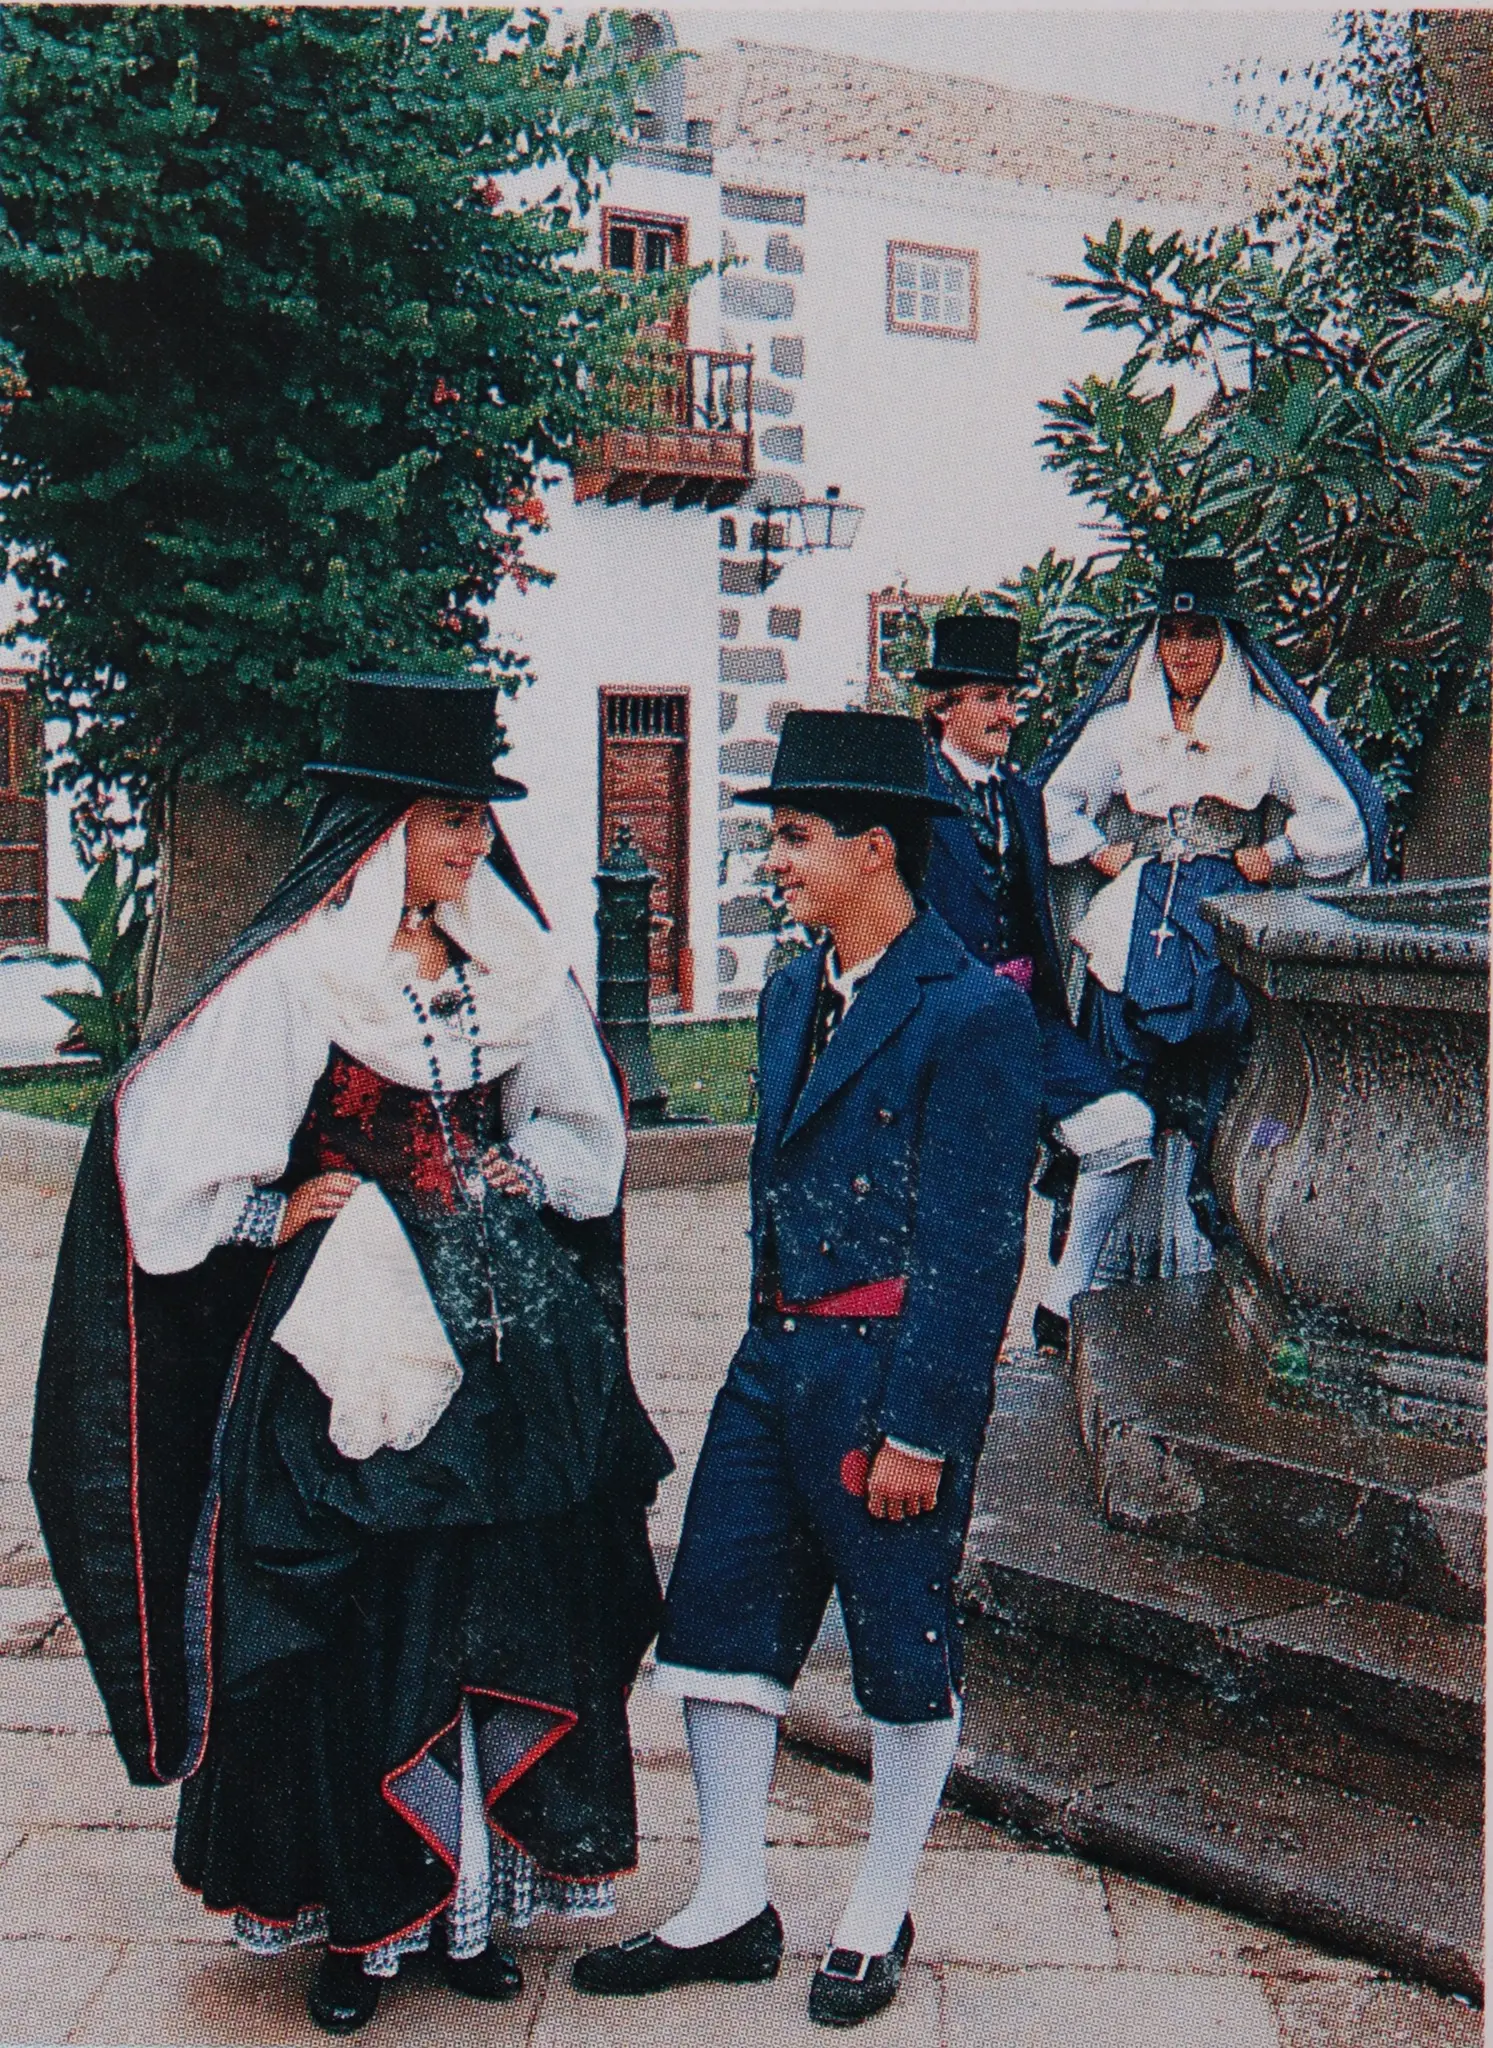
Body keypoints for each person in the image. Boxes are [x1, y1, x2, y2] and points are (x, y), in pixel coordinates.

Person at [30, 672, 673, 2035]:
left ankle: (469, 1908)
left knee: (497, 1605)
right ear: (385, 829)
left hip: (502, 1345)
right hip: (350, 1347)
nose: (474, 843)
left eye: (479, 819)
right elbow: (163, 1151)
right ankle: (357, 1923)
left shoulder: (507, 961)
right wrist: (273, 1211)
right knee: (363, 1622)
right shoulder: (303, 973)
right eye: (450, 818)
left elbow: (581, 1132)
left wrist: (525, 1170)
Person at [572, 711, 1041, 2028]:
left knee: (900, 1640)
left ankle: (876, 1906)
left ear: (874, 848)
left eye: (792, 837)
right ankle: (729, 1900)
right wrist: (760, 1345)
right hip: (772, 1361)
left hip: (887, 1380)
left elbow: (974, 1248)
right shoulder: (790, 993)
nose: (771, 861)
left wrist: (923, 1431)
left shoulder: (971, 1014)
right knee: (715, 1622)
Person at [1037, 555, 1384, 1250]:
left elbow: (1344, 813)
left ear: (1227, 642)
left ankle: (1199, 1254)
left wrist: (1275, 854)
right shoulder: (1123, 726)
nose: (1184, 651)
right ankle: (1108, 1262)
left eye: (1200, 634)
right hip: (1133, 919)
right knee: (1120, 1073)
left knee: (1218, 1079)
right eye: (1170, 634)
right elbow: (1050, 799)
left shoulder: (1266, 728)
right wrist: (1099, 852)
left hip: (1222, 916)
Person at [917, 614, 1155, 1354]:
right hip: (944, 1026)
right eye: (990, 699)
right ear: (943, 706)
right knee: (968, 1202)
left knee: (1124, 1129)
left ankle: (1063, 1300)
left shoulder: (1022, 798)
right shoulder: (909, 798)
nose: (1008, 716)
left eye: (1010, 699)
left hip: (1026, 1020)